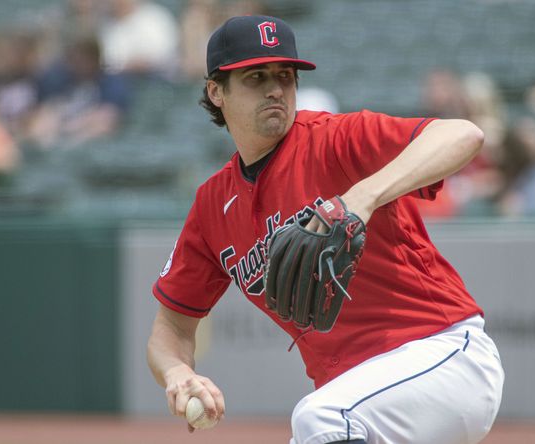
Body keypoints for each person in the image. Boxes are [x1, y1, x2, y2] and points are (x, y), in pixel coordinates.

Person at [146, 15, 504, 444]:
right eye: (255, 77)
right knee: (320, 424)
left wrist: (362, 198)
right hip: (365, 392)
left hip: (441, 354)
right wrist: (178, 372)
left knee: (320, 419)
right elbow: (170, 330)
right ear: (215, 91)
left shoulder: (334, 139)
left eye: (285, 75)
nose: (275, 88)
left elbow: (463, 134)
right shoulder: (212, 207)